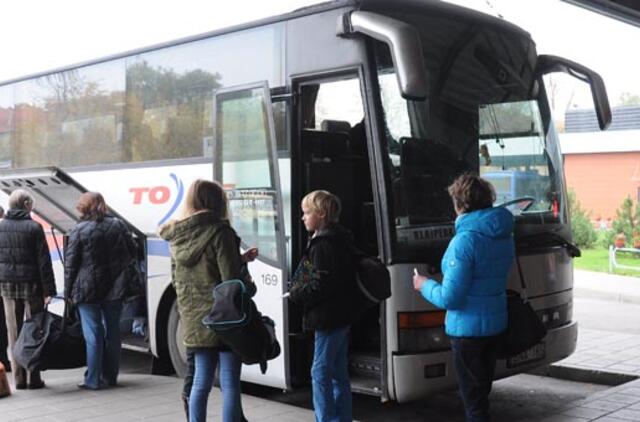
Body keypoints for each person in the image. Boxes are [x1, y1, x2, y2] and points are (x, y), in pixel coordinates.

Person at [412, 174, 514, 422]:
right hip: (494, 325)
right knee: (481, 395)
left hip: (468, 333)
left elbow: (451, 298)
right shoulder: (504, 236)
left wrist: (423, 285)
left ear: (460, 204)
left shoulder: (464, 241)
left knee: (473, 403)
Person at [159, 179, 256, 422]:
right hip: (224, 318)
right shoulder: (221, 232)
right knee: (230, 381)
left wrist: (240, 258)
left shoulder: (176, 236)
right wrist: (245, 275)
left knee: (200, 381)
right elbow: (230, 281)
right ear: (217, 201)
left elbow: (181, 278)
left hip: (194, 317)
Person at [289, 190, 356, 422]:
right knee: (338, 372)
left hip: (327, 318)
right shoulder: (341, 238)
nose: (303, 217)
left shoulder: (323, 245)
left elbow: (320, 284)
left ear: (321, 214)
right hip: (342, 315)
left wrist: (296, 293)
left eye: (306, 212)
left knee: (319, 372)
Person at [65, 192, 139, 390]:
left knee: (93, 334)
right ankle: (111, 376)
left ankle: (93, 379)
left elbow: (71, 264)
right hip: (115, 287)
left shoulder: (79, 230)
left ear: (83, 208)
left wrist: (68, 291)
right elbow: (133, 251)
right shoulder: (118, 225)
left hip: (87, 289)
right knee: (113, 332)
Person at [0, 190, 55, 390]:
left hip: (7, 287)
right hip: (32, 286)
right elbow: (44, 262)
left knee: (13, 333)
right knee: (34, 331)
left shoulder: (0, 226)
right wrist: (49, 290)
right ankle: (34, 377)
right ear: (26, 205)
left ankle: (19, 379)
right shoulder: (34, 227)